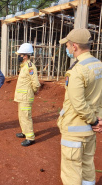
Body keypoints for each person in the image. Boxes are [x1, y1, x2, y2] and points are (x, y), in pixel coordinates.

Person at [58, 28, 102, 185]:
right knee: (87, 165)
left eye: (67, 45)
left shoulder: (76, 71)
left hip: (75, 130)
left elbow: (78, 103)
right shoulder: (99, 65)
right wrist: (98, 120)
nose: (67, 48)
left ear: (74, 46)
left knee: (72, 172)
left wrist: (94, 121)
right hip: (90, 131)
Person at [14, 43, 40, 147]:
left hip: (26, 97)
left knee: (26, 116)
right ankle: (25, 132)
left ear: (25, 56)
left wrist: (34, 91)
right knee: (21, 116)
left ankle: (30, 138)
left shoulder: (30, 67)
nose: (18, 56)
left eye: (20, 54)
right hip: (21, 97)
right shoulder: (24, 66)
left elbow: (36, 83)